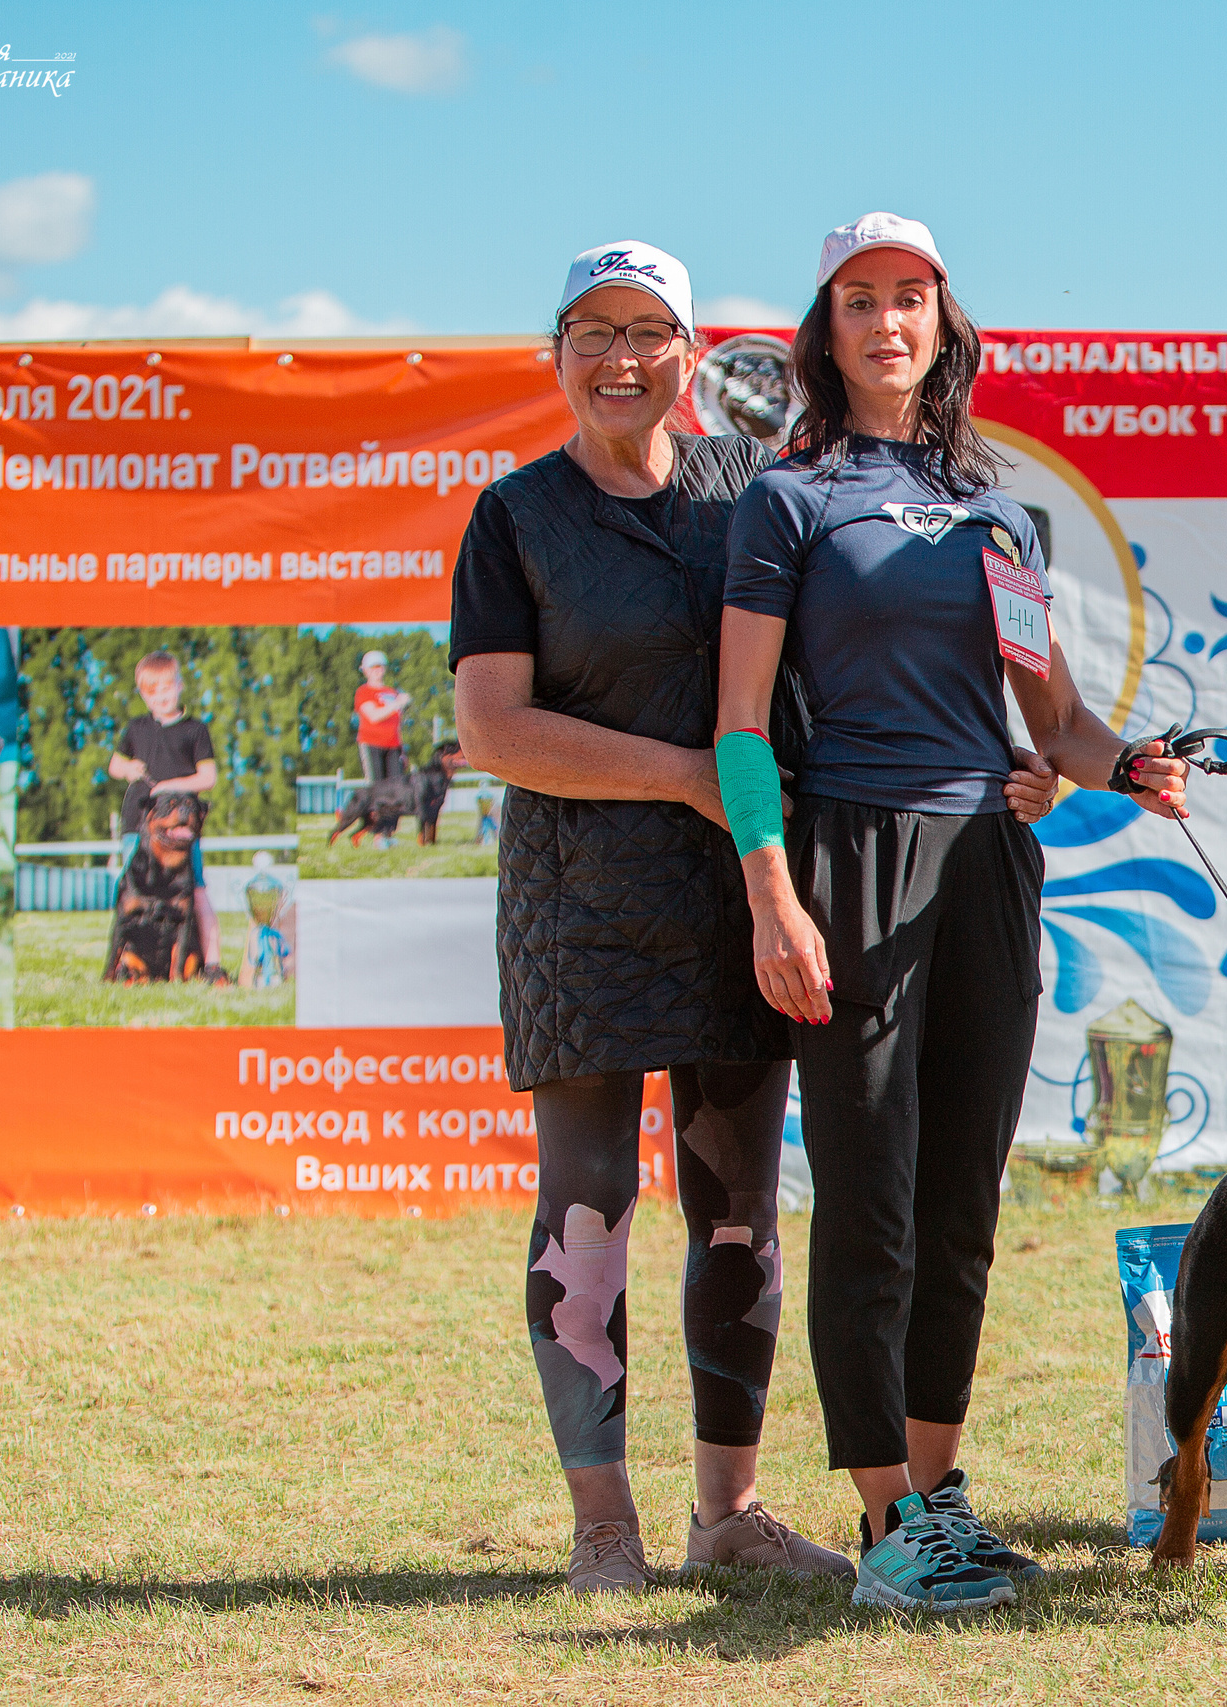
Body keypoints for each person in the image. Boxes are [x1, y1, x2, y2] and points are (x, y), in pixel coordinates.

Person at [451, 239, 1056, 1596]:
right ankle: (603, 1516)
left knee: (740, 1216)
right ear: (555, 353)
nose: (621, 358)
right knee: (590, 1209)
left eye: (649, 333)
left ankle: (726, 1509)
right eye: (592, 333)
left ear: (690, 356)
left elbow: (865, 651)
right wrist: (685, 778)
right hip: (585, 909)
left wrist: (1033, 751)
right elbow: (492, 727)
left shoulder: (751, 489)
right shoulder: (515, 513)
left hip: (753, 902)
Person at [715, 212, 1190, 1614]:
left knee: (961, 1201)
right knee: (872, 1199)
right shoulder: (788, 498)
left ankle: (939, 1493)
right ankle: (883, 1527)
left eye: (910, 298)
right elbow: (741, 725)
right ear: (827, 329)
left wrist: (1131, 765)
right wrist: (772, 894)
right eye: (859, 300)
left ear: (943, 322)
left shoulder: (995, 509)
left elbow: (1056, 719)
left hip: (989, 855)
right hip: (850, 857)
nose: (886, 322)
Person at [108, 650, 223, 978]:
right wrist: (128, 767)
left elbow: (208, 777)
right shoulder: (135, 728)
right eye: (151, 690)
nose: (160, 696)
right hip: (137, 825)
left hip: (181, 831)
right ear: (143, 694)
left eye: (166, 687)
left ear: (180, 685)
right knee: (131, 896)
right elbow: (114, 766)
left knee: (196, 891)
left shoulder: (196, 730)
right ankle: (125, 965)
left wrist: (170, 786)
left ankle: (213, 964)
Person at [353, 651, 410, 783]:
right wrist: (397, 703)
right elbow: (373, 716)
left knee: (396, 786)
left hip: (393, 747)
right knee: (377, 787)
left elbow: (397, 724)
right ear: (365, 670)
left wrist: (402, 751)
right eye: (373, 667)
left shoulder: (391, 692)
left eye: (380, 666)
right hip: (372, 744)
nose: (377, 670)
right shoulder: (363, 692)